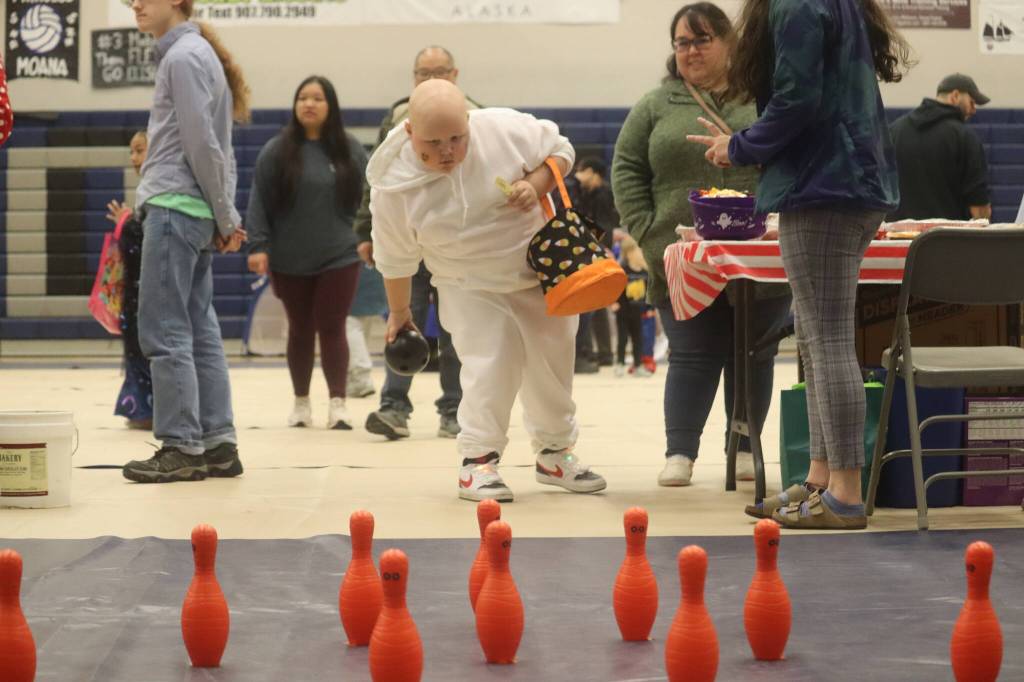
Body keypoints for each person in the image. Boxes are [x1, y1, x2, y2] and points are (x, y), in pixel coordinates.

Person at [690, 0, 911, 528]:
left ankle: (846, 494)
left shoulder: (796, 5)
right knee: (814, 338)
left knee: (827, 338)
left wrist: (739, 146)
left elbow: (797, 100)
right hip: (851, 181)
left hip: (824, 185)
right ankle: (819, 479)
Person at [368, 79, 607, 502]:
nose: (447, 152)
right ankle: (477, 462)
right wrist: (400, 312)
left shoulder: (503, 128)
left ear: (469, 124)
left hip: (539, 271)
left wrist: (535, 184)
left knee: (554, 364)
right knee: (489, 365)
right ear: (409, 132)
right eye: (434, 142)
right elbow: (394, 256)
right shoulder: (393, 182)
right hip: (466, 282)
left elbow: (562, 150)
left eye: (457, 139)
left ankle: (555, 453)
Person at [612, 3, 792, 488]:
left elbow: (789, 154)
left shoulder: (764, 94)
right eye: (681, 43)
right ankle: (680, 452)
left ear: (729, 41)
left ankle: (745, 449)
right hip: (676, 254)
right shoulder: (656, 104)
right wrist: (647, 232)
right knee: (691, 352)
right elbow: (626, 168)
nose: (690, 51)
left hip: (759, 254)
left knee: (755, 354)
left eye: (701, 39)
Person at [122, 0, 248, 483]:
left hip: (176, 208)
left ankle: (180, 445)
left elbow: (203, 145)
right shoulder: (196, 54)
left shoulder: (183, 57)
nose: (135, 3)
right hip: (191, 210)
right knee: (199, 328)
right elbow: (217, 147)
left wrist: (227, 214)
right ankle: (217, 443)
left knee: (164, 327)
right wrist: (221, 213)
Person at [354, 46, 482, 440]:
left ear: (455, 74)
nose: (430, 80)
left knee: (456, 329)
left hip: (459, 245)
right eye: (422, 74)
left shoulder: (477, 114)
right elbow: (378, 176)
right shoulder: (397, 117)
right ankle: (394, 407)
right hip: (411, 241)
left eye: (439, 72)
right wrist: (366, 229)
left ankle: (454, 409)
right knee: (402, 320)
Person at [246, 75, 368, 429]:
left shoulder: (349, 149)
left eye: (317, 98)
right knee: (300, 329)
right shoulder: (276, 151)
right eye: (303, 98)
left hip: (340, 254)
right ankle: (301, 403)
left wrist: (368, 236)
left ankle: (338, 403)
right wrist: (258, 246)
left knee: (332, 326)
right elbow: (259, 201)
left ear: (331, 106)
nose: (309, 104)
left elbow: (370, 196)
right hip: (289, 257)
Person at [889, 74, 992, 221]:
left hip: (896, 239)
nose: (974, 110)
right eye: (972, 102)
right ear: (955, 96)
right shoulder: (965, 138)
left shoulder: (894, 131)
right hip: (946, 240)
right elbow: (979, 210)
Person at [106, 131, 153, 430]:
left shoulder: (156, 191)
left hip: (145, 292)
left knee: (143, 348)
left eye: (139, 151)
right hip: (135, 292)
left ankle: (149, 408)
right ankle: (141, 406)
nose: (134, 159)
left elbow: (147, 239)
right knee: (135, 349)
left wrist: (126, 223)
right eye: (131, 152)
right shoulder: (145, 190)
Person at [571, 158, 618, 372]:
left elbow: (604, 225)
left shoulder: (603, 194)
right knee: (593, 304)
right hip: (590, 245)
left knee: (596, 304)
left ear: (594, 172)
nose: (578, 175)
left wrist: (597, 248)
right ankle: (599, 353)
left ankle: (603, 353)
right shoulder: (586, 192)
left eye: (582, 171)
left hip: (598, 247)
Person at [346, 263, 388, 399]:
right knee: (360, 325)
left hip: (357, 270)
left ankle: (360, 377)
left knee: (350, 323)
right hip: (374, 270)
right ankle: (354, 377)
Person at [613, 237, 652, 377]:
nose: (640, 253)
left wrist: (649, 308)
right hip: (623, 310)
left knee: (638, 338)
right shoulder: (622, 269)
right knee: (622, 338)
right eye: (637, 250)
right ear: (629, 252)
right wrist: (613, 302)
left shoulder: (644, 271)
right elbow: (615, 287)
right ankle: (620, 364)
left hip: (638, 311)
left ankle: (638, 365)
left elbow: (648, 291)